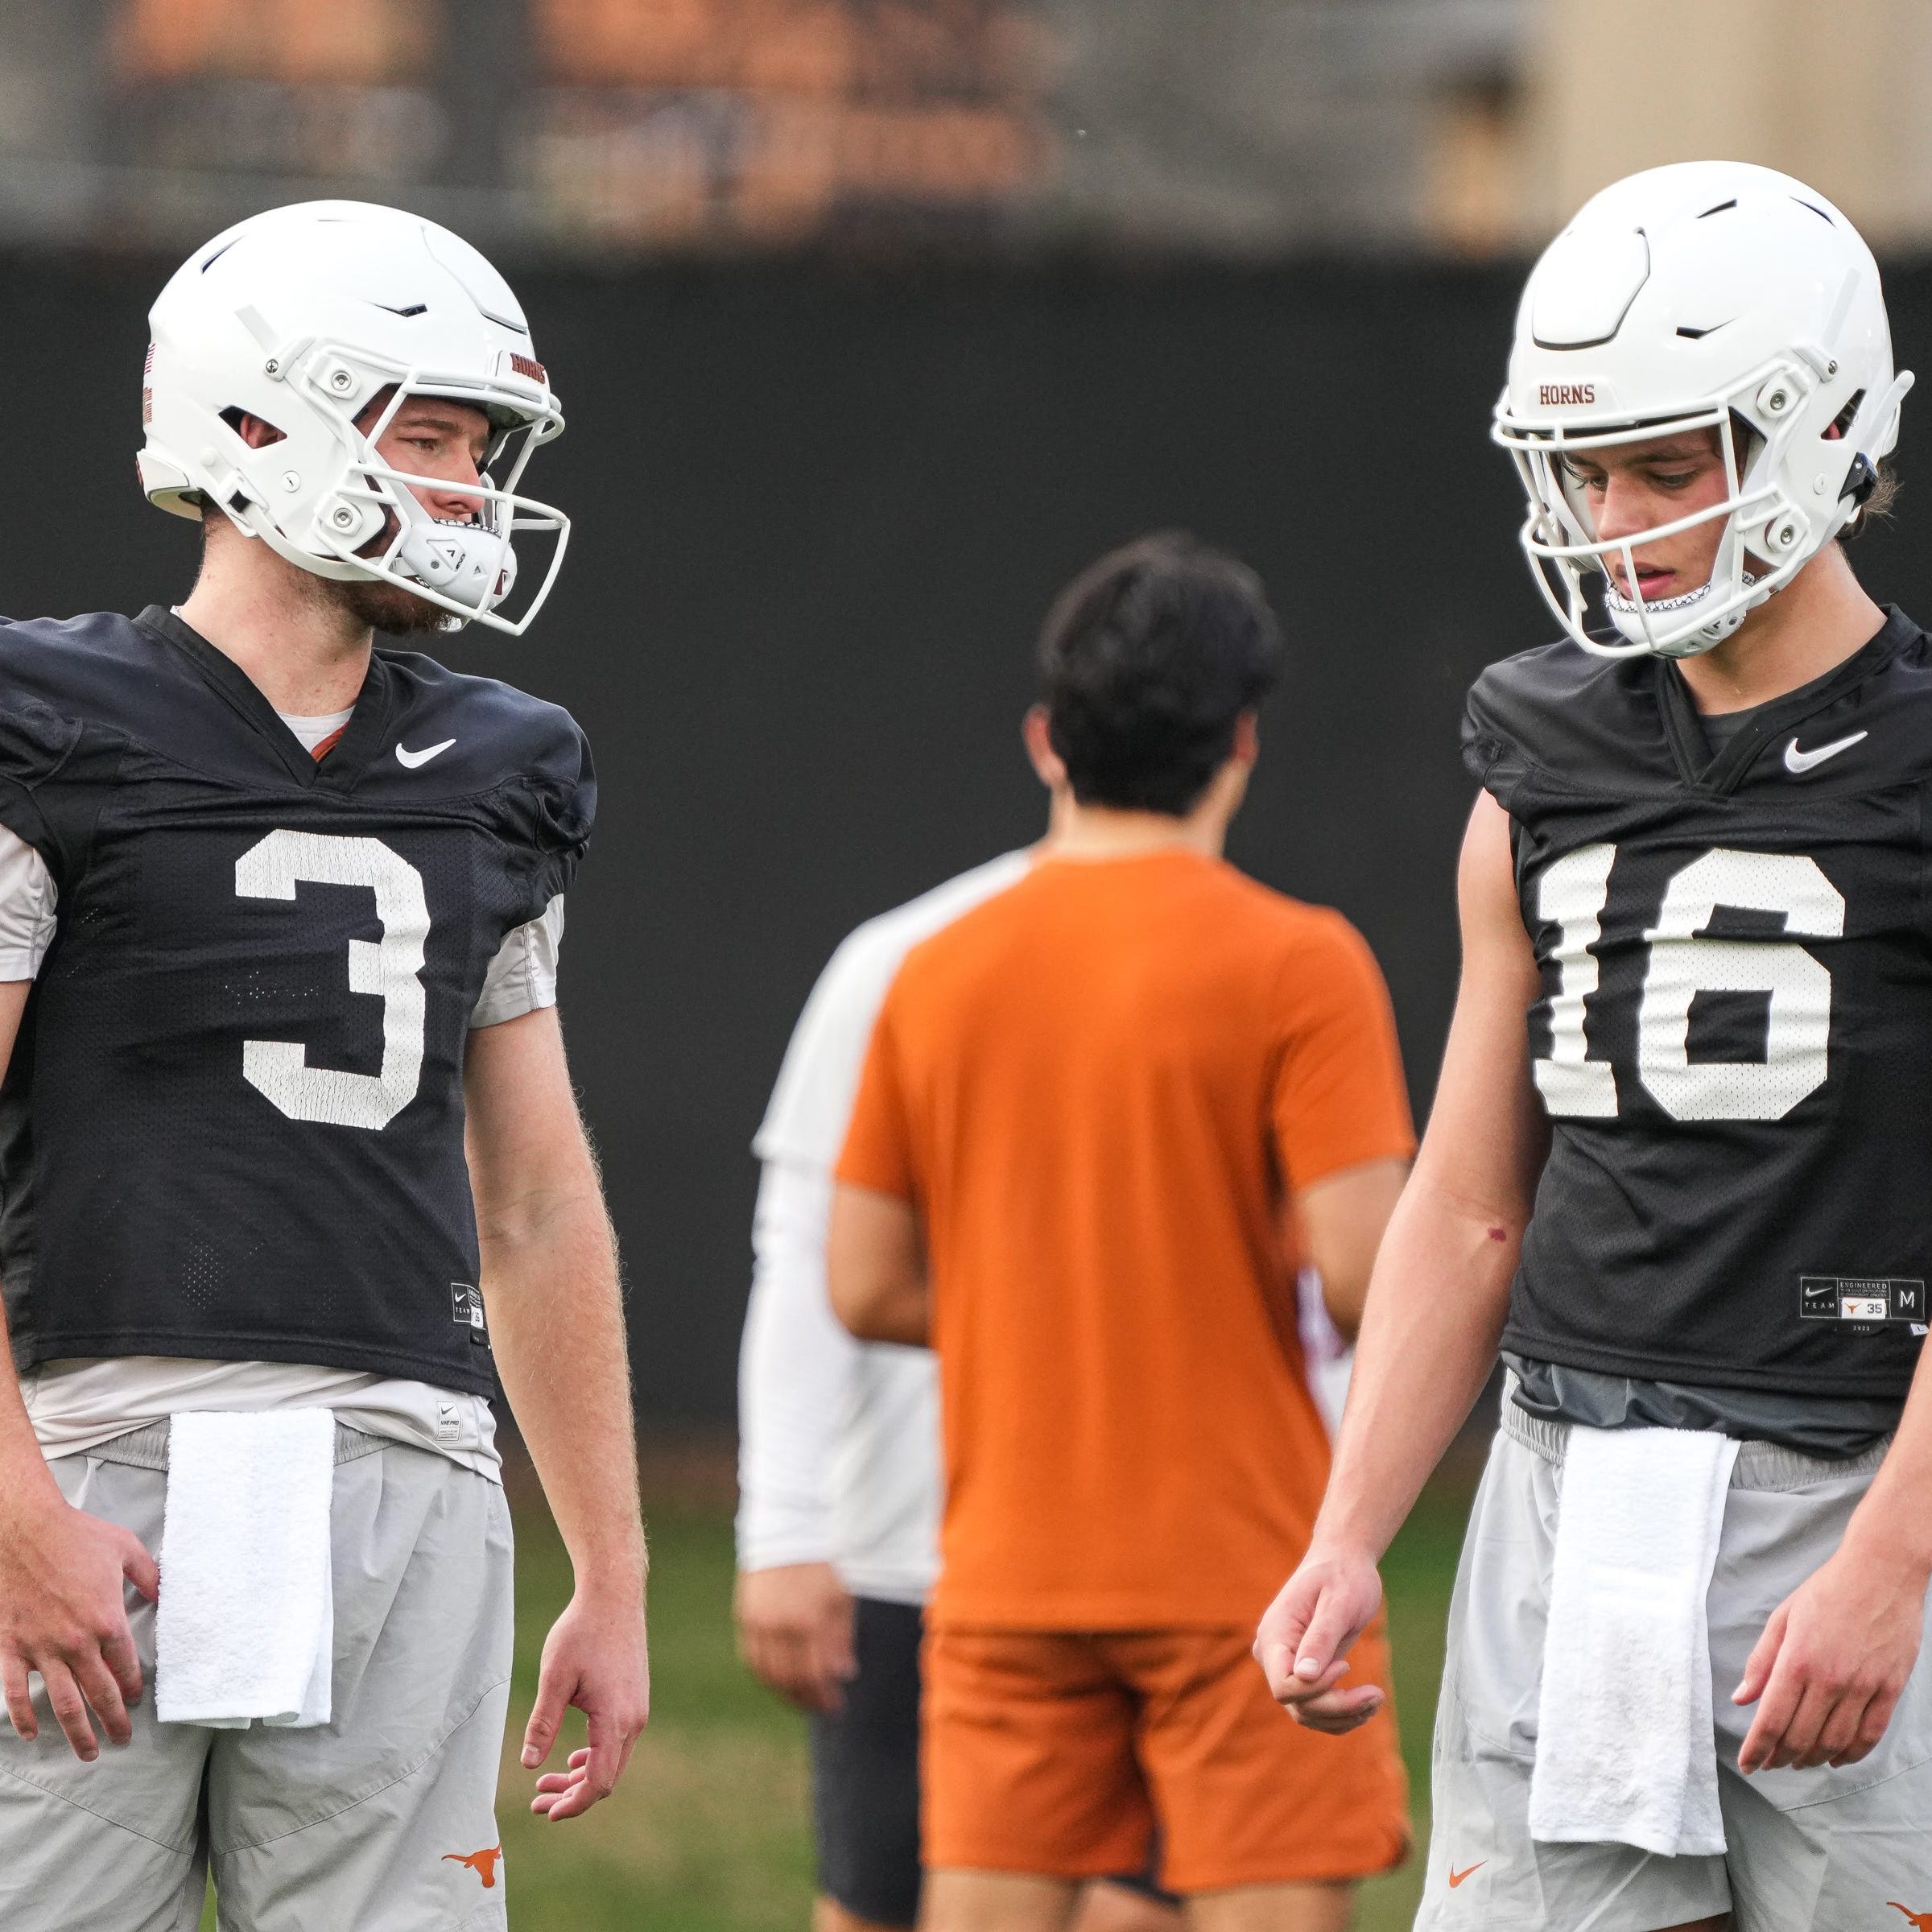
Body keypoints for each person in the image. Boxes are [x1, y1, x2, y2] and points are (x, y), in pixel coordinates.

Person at [1256, 159, 1932, 1932]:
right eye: (1587, 468)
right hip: (1572, 1487)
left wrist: (1893, 1564)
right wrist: (1349, 1531)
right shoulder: (1541, 761)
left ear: (1820, 428)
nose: (1613, 517)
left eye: (1667, 464)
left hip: (1856, 1475)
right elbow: (1472, 1203)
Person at [0, 200, 649, 1928]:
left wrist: (616, 1561)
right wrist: (8, 1509)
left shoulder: (501, 760)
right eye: (426, 434)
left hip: (401, 1461)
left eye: (480, 447)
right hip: (99, 1452)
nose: (466, 489)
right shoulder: (48, 720)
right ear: (257, 416)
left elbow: (533, 1195)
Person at [828, 532, 1414, 1932]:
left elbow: (861, 1282)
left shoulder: (935, 970)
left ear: (1048, 740)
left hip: (1009, 1569)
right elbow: (1366, 1270)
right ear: (1242, 743)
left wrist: (1030, 1297)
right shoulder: (1300, 960)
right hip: (1246, 1571)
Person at [736, 840, 1191, 1932]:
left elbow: (1315, 1275)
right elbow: (806, 1250)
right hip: (920, 1550)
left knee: (1140, 1911)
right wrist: (785, 1531)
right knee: (891, 1906)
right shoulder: (903, 960)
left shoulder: (1258, 962)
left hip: (1168, 1558)